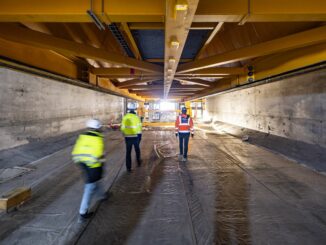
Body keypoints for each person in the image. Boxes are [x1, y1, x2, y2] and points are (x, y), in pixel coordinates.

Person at [72, 119, 106, 219]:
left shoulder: (82, 136)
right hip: (93, 165)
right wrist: (100, 164)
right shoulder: (98, 138)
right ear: (98, 128)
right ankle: (83, 212)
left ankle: (102, 195)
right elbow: (98, 154)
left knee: (96, 181)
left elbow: (76, 151)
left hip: (82, 163)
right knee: (89, 187)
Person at [121, 107, 142, 172]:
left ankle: (128, 168)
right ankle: (138, 162)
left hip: (127, 138)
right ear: (134, 112)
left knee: (128, 152)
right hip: (135, 137)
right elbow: (139, 129)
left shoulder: (125, 117)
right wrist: (139, 138)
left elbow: (122, 128)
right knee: (137, 150)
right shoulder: (136, 118)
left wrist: (124, 134)